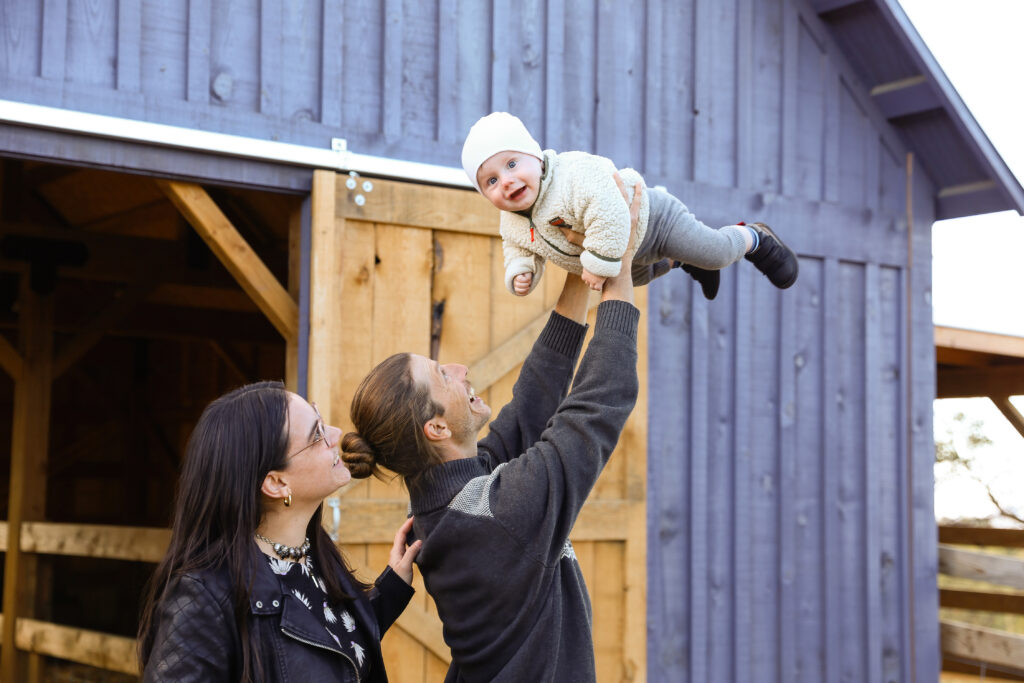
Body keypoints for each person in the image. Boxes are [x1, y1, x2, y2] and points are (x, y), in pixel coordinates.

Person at [340, 178, 643, 682]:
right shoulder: (491, 513)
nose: (459, 369)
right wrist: (619, 271)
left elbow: (533, 403)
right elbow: (595, 410)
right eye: (442, 375)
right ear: (436, 426)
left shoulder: (458, 492)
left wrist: (576, 269)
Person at [137, 381, 421, 683]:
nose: (337, 434)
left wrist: (392, 588)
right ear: (276, 484)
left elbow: (334, 650)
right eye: (317, 434)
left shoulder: (313, 556)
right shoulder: (204, 597)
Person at [461, 111, 800, 300]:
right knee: (633, 279)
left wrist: (595, 263)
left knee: (715, 252)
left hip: (654, 221)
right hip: (626, 254)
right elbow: (519, 247)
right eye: (490, 181)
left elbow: (607, 209)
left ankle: (753, 237)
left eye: (511, 164)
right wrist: (521, 271)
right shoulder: (513, 221)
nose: (505, 181)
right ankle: (683, 261)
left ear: (534, 156)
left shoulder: (570, 175)